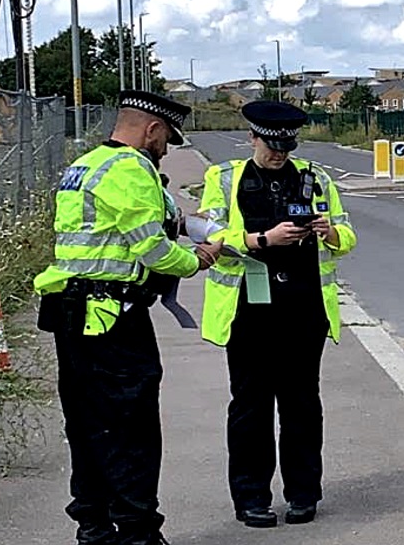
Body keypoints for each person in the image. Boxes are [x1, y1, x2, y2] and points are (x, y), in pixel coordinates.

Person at [34, 91, 222, 545]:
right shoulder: (132, 170)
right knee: (131, 429)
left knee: (87, 425)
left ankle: (94, 528)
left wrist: (189, 224)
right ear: (152, 129)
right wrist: (198, 259)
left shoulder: (87, 165)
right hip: (113, 317)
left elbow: (147, 223)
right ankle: (138, 533)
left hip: (70, 312)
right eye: (167, 140)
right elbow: (153, 250)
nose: (166, 149)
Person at [198, 100, 357, 529]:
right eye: (271, 146)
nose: (278, 154)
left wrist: (331, 232)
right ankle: (251, 497)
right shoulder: (225, 178)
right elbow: (208, 236)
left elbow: (347, 234)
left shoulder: (315, 178)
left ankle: (304, 494)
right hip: (248, 311)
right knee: (250, 407)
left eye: (286, 147)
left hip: (304, 309)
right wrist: (260, 239)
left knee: (302, 406)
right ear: (252, 138)